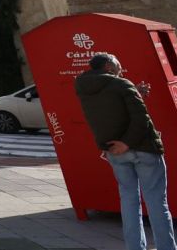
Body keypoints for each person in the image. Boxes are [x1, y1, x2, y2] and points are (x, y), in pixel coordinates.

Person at [76, 53, 175, 250]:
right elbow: (141, 120)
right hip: (142, 149)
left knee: (129, 202)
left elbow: (109, 106)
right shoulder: (122, 85)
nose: (121, 69)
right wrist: (127, 143)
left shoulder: (82, 87)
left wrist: (133, 91)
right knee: (156, 202)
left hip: (115, 152)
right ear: (108, 66)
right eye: (118, 65)